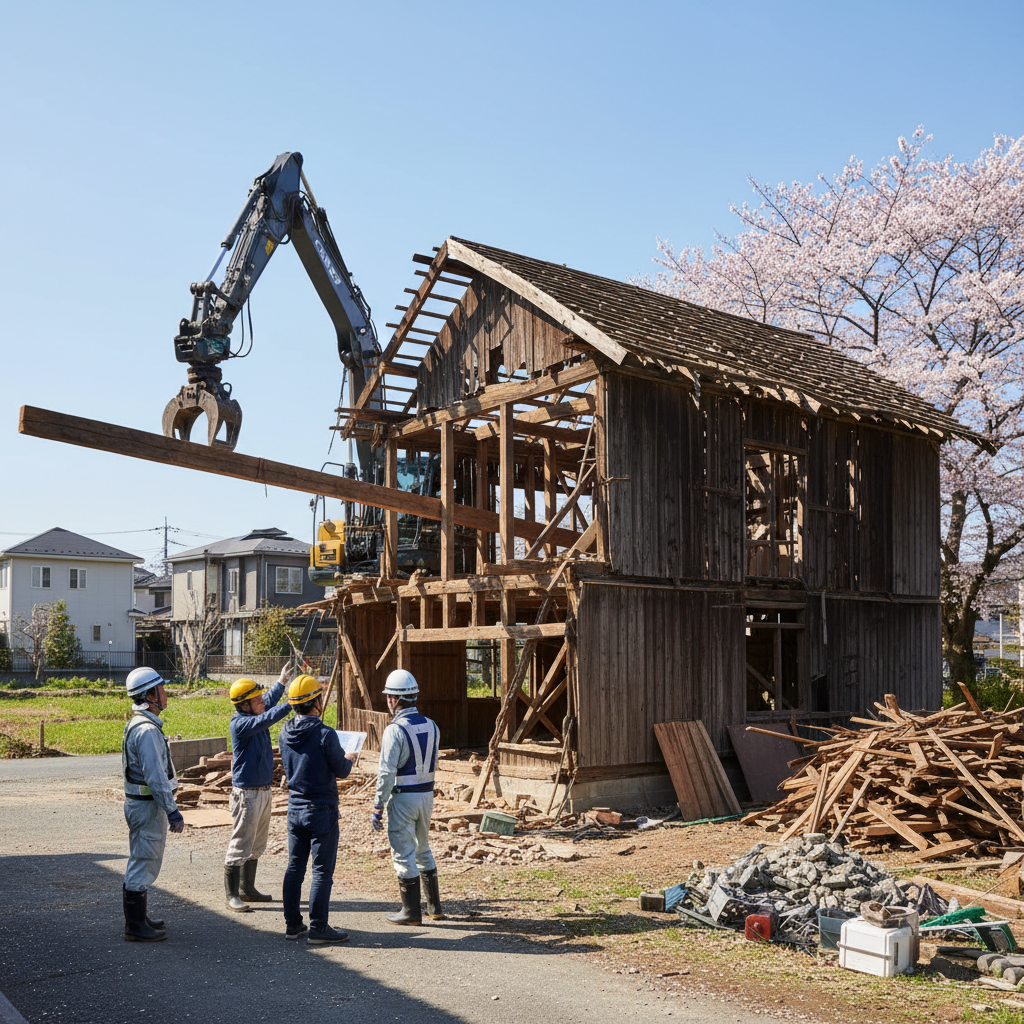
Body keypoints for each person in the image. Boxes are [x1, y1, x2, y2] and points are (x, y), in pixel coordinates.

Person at [278, 674, 353, 943]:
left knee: (294, 868)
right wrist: (350, 757)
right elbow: (342, 770)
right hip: (322, 809)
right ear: (317, 701)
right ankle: (319, 928)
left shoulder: (285, 732)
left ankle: (293, 925)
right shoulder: (324, 734)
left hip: (295, 808)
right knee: (321, 871)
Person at [371, 669, 444, 926]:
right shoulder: (432, 725)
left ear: (393, 699)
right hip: (426, 796)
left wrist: (378, 806)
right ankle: (434, 907)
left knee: (403, 853)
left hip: (403, 798)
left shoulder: (394, 730)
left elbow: (386, 772)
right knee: (423, 849)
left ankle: (411, 912)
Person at [223, 661, 294, 912]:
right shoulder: (241, 724)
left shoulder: (254, 712)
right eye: (256, 699)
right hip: (247, 794)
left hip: (263, 791)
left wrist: (282, 682)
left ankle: (247, 889)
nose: (262, 700)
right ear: (244, 704)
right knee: (241, 842)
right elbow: (269, 715)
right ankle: (232, 894)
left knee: (257, 844)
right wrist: (294, 702)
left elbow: (268, 703)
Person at [121, 666, 185, 942]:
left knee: (145, 858)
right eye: (161, 689)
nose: (166, 693)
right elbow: (156, 777)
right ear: (150, 694)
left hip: (144, 805)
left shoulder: (143, 725)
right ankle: (134, 927)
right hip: (146, 806)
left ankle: (140, 919)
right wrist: (172, 810)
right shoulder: (146, 730)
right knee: (143, 859)